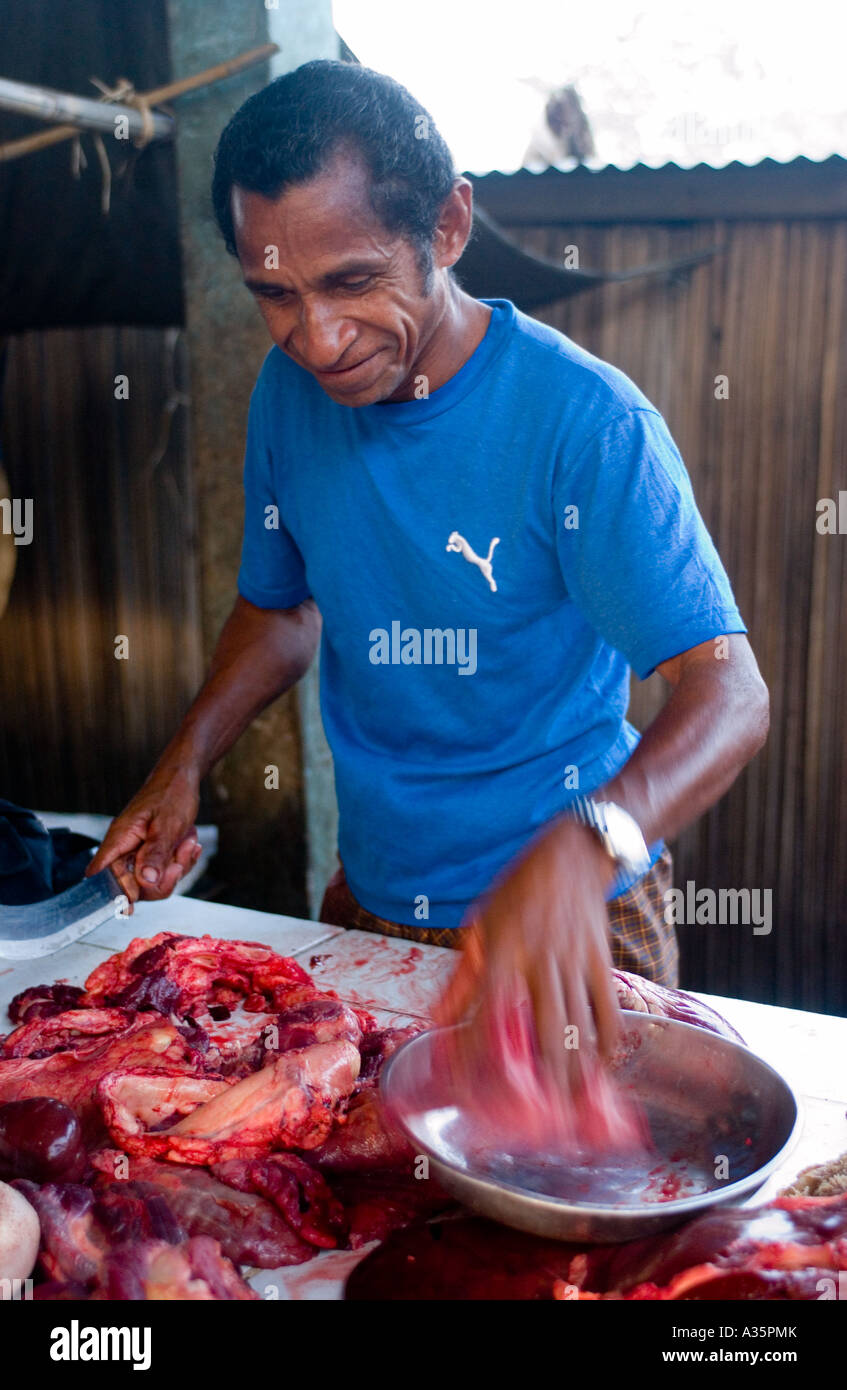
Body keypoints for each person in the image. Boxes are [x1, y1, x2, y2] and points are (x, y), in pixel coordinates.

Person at [87, 61, 769, 1099]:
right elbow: (281, 608)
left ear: (448, 229)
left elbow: (730, 692)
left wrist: (585, 849)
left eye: (351, 282)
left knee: (581, 1212)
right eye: (274, 294)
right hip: (371, 895)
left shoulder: (586, 424)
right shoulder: (287, 394)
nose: (316, 339)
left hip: (575, 916)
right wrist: (186, 763)